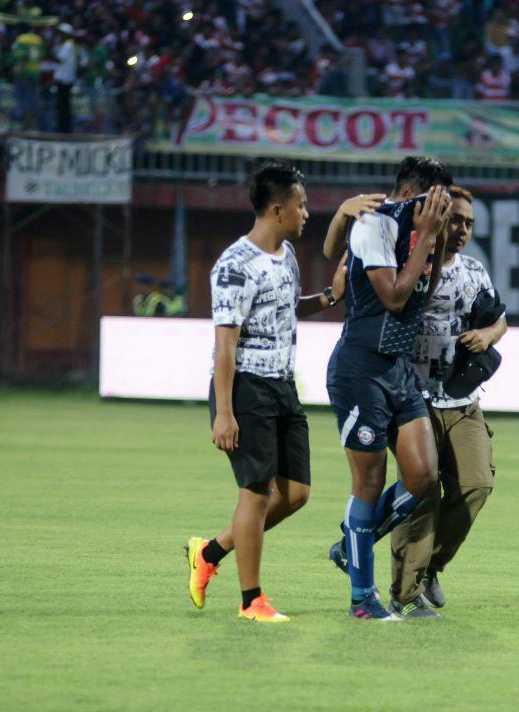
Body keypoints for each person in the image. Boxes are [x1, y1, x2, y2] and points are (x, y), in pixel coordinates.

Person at [184, 162, 349, 623]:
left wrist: (330, 298)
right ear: (278, 209)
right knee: (255, 494)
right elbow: (225, 342)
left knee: (295, 494)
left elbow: (284, 311)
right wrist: (224, 412)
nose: (307, 213)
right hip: (246, 388)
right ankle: (251, 600)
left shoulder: (286, 256)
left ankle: (210, 553)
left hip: (282, 386)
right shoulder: (235, 266)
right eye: (301, 205)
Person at [324, 156, 453, 621]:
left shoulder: (417, 231)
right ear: (415, 192)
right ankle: (363, 597)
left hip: (398, 370)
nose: (442, 209)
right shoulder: (373, 226)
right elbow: (395, 296)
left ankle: (350, 545)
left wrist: (431, 238)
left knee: (422, 477)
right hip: (359, 368)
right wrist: (424, 237)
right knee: (370, 481)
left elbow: (426, 284)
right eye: (437, 199)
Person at [389, 185, 506, 618]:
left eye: (469, 223)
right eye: (455, 219)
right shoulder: (412, 265)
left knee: (477, 483)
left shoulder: (475, 271)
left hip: (461, 397)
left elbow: (499, 320)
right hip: (411, 396)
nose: (462, 229)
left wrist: (487, 335)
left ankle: (430, 566)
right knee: (421, 493)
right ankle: (404, 594)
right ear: (438, 218)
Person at [53, 24, 78, 133]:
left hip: (65, 79)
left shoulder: (68, 45)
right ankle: (63, 128)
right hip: (65, 78)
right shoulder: (67, 45)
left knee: (63, 106)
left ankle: (64, 129)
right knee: (63, 105)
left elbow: (59, 58)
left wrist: (49, 51)